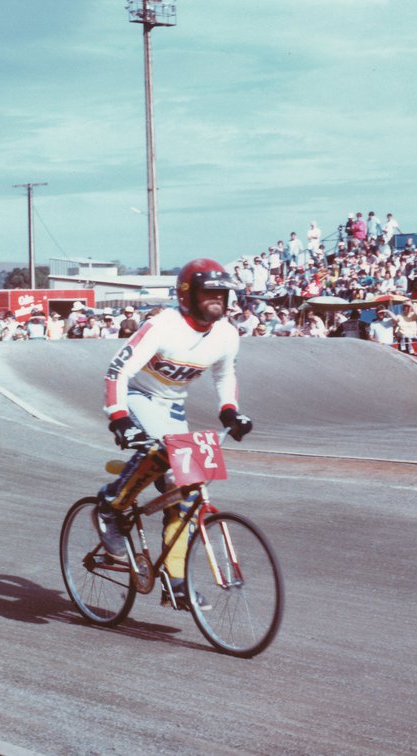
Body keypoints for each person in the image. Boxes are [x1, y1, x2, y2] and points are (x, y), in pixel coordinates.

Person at [95, 258, 252, 611]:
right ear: (187, 295)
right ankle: (110, 505)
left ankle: (175, 581)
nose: (217, 298)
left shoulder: (227, 334)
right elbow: (116, 371)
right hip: (138, 396)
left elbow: (225, 376)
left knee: (185, 492)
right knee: (165, 451)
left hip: (173, 407)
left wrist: (230, 409)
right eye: (208, 292)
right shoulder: (163, 326)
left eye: (222, 293)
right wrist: (119, 416)